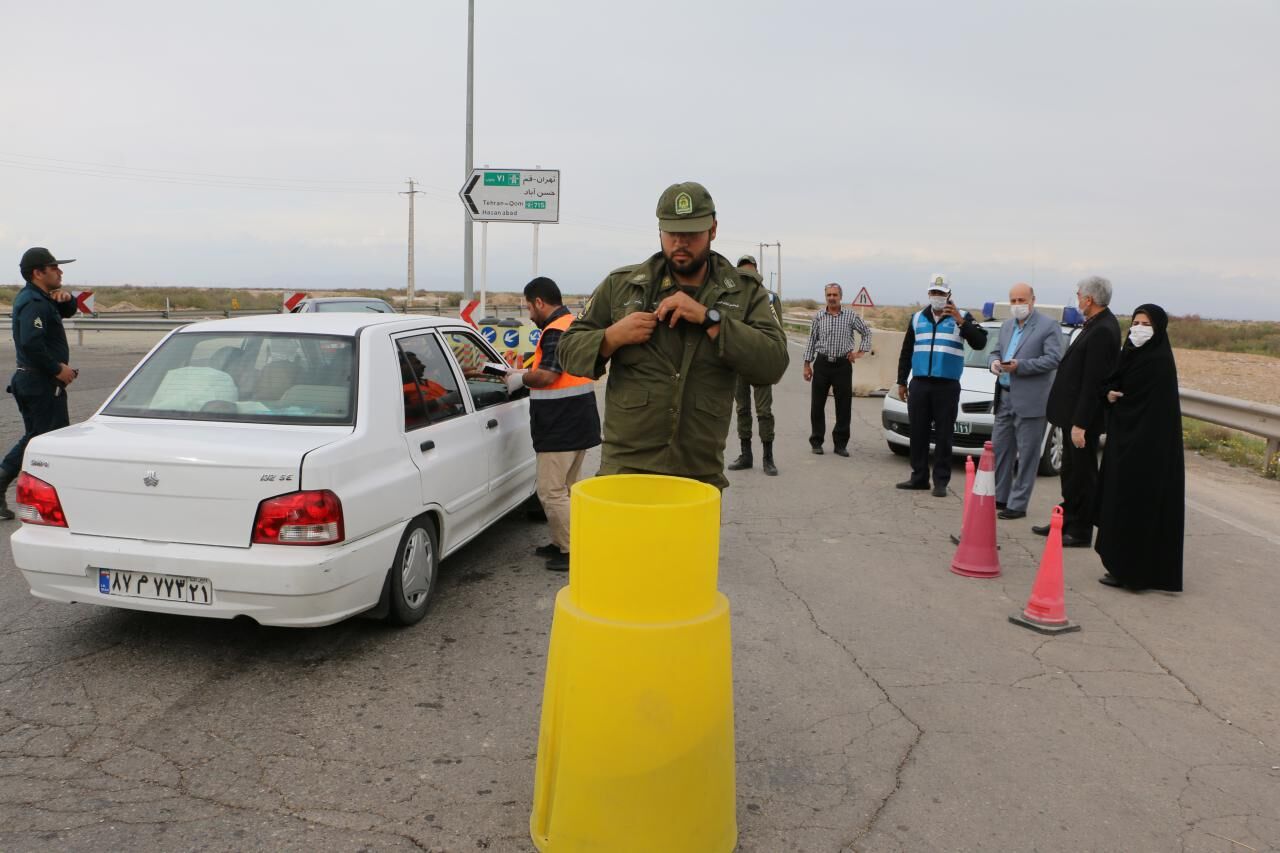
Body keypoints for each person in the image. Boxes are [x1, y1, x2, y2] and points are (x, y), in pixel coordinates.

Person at [557, 181, 789, 490]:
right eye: (672, 232)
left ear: (713, 229)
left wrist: (710, 319)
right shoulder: (623, 285)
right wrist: (611, 337)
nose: (680, 242)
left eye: (691, 233)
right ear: (660, 232)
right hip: (626, 471)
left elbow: (773, 363)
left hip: (698, 474)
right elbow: (567, 349)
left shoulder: (744, 291)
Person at [509, 277, 602, 572]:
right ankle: (565, 540)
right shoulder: (571, 324)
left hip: (560, 424)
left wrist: (518, 378)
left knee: (551, 492)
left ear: (539, 302)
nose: (529, 314)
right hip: (578, 420)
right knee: (568, 488)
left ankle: (570, 550)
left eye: (528, 306)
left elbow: (547, 376)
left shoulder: (553, 331)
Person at [1093, 305, 1184, 590]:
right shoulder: (1130, 353)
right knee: (1118, 502)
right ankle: (1119, 565)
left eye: (1146, 323)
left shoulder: (1159, 361)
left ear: (1158, 328)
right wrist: (1108, 394)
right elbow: (1111, 383)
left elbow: (1152, 408)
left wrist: (1122, 401)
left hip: (1148, 450)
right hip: (1123, 443)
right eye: (1135, 322)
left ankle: (1136, 573)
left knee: (1139, 506)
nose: (1139, 328)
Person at [1035, 275, 1121, 546]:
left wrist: (1081, 423)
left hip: (1082, 420)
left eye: (1079, 294)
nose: (1077, 299)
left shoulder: (1104, 329)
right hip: (1070, 415)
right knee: (1070, 473)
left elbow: (1093, 381)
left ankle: (1081, 529)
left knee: (1083, 475)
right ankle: (1067, 520)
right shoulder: (1094, 324)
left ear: (1089, 299)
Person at [1, 248, 79, 520]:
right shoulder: (33, 302)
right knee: (46, 441)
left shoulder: (42, 298)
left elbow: (68, 312)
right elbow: (30, 343)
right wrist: (58, 369)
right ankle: (49, 500)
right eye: (54, 267)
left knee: (39, 437)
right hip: (38, 381)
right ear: (38, 272)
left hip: (38, 380)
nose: (60, 271)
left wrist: (67, 298)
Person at [894, 275, 988, 497]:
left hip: (946, 386)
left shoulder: (962, 317)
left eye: (941, 294)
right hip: (920, 384)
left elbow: (980, 342)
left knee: (944, 434)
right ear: (929, 294)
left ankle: (941, 482)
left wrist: (960, 321)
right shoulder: (917, 318)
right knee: (918, 432)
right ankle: (918, 478)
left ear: (949, 295)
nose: (937, 297)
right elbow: (907, 351)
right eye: (934, 293)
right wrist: (901, 380)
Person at [988, 283, 1064, 519]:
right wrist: (994, 363)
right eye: (1013, 300)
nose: (1017, 305)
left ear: (1032, 300)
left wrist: (1020, 366)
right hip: (1005, 397)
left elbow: (1053, 358)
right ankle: (1001, 497)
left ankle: (1018, 504)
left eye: (1022, 300)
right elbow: (996, 351)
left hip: (1031, 401)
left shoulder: (1048, 326)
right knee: (1001, 450)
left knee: (1028, 455)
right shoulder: (1007, 326)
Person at [727, 254, 784, 475]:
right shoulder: (732, 298)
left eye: (750, 270)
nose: (747, 274)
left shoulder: (769, 298)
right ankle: (746, 455)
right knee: (742, 409)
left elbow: (777, 330)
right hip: (739, 361)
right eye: (743, 271)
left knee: (764, 411)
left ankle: (768, 457)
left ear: (757, 271)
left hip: (760, 362)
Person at [802, 283, 873, 456]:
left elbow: (866, 332)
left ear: (840, 296)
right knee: (817, 405)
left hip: (842, 366)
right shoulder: (818, 316)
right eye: (829, 295)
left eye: (835, 294)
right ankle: (817, 441)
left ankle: (840, 444)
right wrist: (807, 364)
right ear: (825, 296)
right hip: (822, 364)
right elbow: (812, 341)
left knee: (843, 406)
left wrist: (860, 352)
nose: (832, 298)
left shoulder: (850, 315)